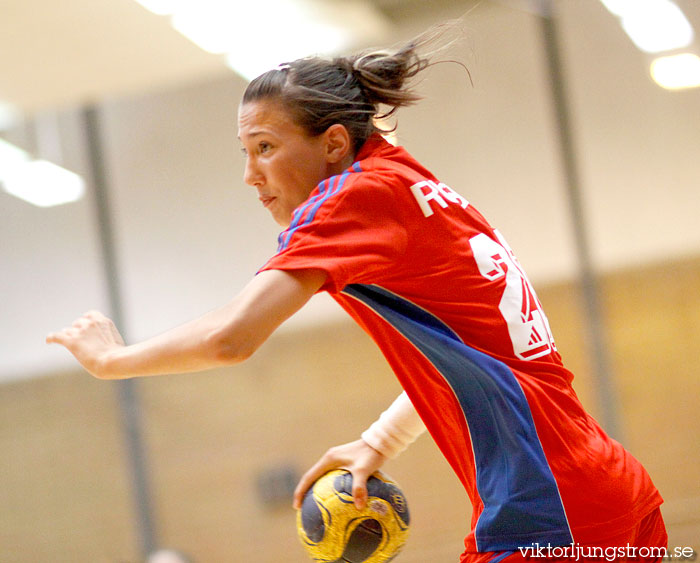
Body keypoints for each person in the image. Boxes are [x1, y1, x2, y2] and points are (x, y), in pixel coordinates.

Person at [47, 23, 667, 562]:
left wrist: (112, 361)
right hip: (606, 490)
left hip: (548, 514)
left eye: (266, 147)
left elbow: (231, 338)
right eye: (245, 152)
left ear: (334, 143)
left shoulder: (353, 198)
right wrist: (378, 443)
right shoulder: (409, 181)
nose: (250, 174)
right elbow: (478, 356)